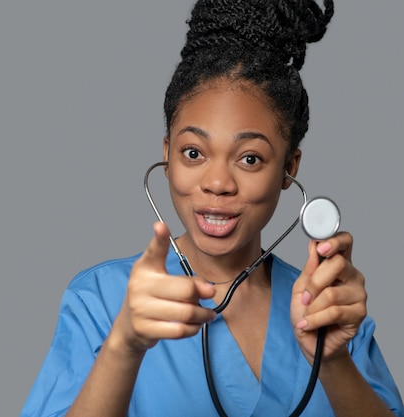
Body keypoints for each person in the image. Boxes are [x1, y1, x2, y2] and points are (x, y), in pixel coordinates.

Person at [21, 1, 404, 416]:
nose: (218, 183)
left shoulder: (332, 307)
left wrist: (332, 360)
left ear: (289, 168)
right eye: (193, 152)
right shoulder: (98, 301)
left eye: (250, 158)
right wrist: (124, 345)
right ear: (167, 157)